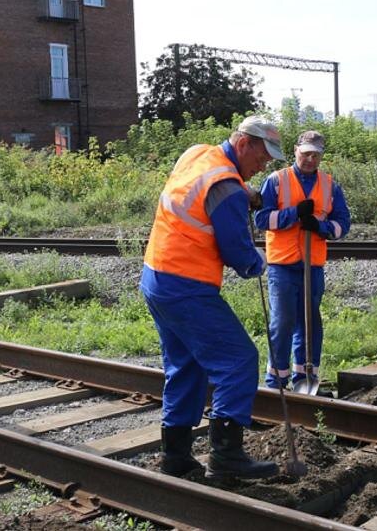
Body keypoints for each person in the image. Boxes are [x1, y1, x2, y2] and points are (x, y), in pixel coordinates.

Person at [140, 115, 283, 480]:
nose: (261, 166)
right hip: (187, 286)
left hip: (157, 277)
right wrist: (259, 262)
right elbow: (238, 254)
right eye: (261, 158)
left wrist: (246, 192)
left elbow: (207, 190)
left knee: (185, 366)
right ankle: (226, 456)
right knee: (238, 360)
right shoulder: (227, 187)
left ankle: (176, 457)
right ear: (243, 144)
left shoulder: (197, 154)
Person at [255, 131, 350, 390]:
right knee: (283, 321)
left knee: (310, 323)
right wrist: (294, 214)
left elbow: (342, 225)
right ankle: (276, 379)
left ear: (321, 156)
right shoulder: (276, 181)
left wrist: (320, 226)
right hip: (282, 265)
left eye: (315, 154)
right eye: (306, 153)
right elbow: (262, 219)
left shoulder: (330, 185)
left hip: (313, 264)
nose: (310, 158)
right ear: (296, 151)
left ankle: (305, 377)